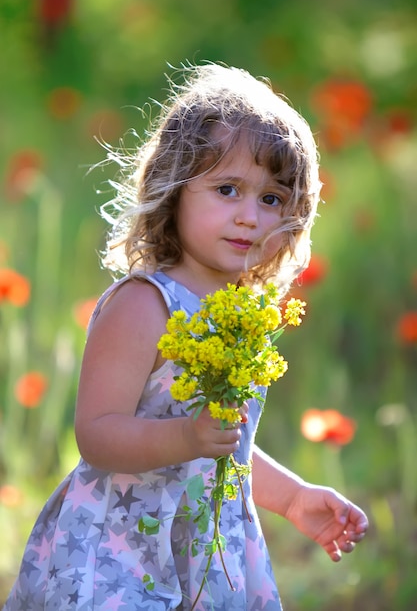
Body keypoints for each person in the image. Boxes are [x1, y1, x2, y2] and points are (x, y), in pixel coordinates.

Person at [3, 63, 368, 611]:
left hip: (206, 549)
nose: (249, 217)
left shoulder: (240, 314)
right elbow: (97, 436)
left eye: (272, 200)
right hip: (121, 553)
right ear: (173, 190)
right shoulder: (144, 304)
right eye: (227, 189)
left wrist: (292, 497)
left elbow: (225, 443)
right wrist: (186, 439)